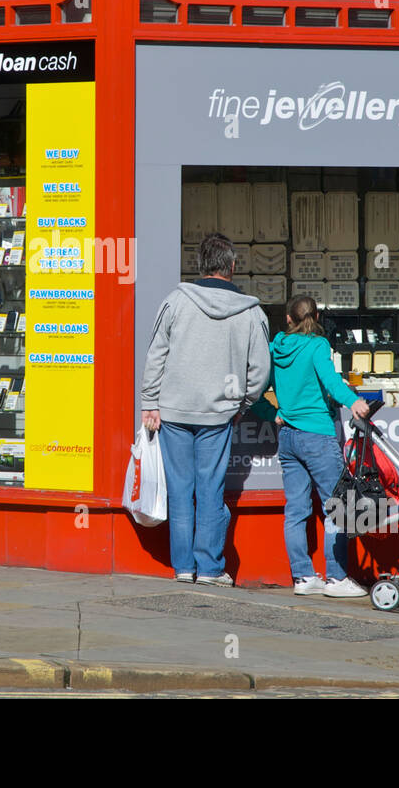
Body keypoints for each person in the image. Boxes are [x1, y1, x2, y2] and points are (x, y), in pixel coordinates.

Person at [141, 233, 271, 587]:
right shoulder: (251, 312)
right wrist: (242, 404)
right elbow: (259, 371)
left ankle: (183, 568)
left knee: (180, 491)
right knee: (210, 490)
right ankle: (211, 569)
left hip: (173, 412)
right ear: (231, 266)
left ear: (200, 265)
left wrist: (149, 402)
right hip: (218, 415)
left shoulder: (175, 301)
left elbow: (156, 356)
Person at [254, 295, 370, 598]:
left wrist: (273, 413)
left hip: (288, 437)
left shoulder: (275, 348)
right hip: (317, 435)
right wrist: (353, 401)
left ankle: (303, 577)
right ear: (315, 317)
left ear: (289, 319)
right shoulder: (317, 345)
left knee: (295, 511)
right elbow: (330, 381)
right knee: (337, 507)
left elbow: (253, 390)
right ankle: (336, 578)